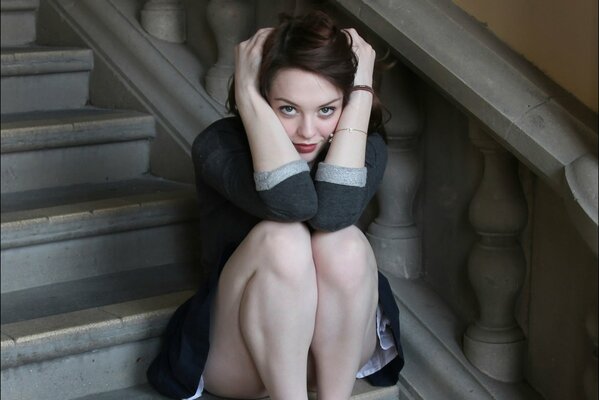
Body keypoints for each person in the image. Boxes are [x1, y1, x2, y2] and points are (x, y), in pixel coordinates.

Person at [147, 10, 404, 400]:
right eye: (287, 108)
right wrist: (247, 94)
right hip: (244, 355)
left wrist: (362, 89)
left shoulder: (363, 147)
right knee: (282, 239)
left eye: (327, 110)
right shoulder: (220, 146)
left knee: (344, 242)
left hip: (335, 355)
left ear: (347, 103)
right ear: (266, 99)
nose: (307, 131)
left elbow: (332, 214)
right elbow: (293, 204)